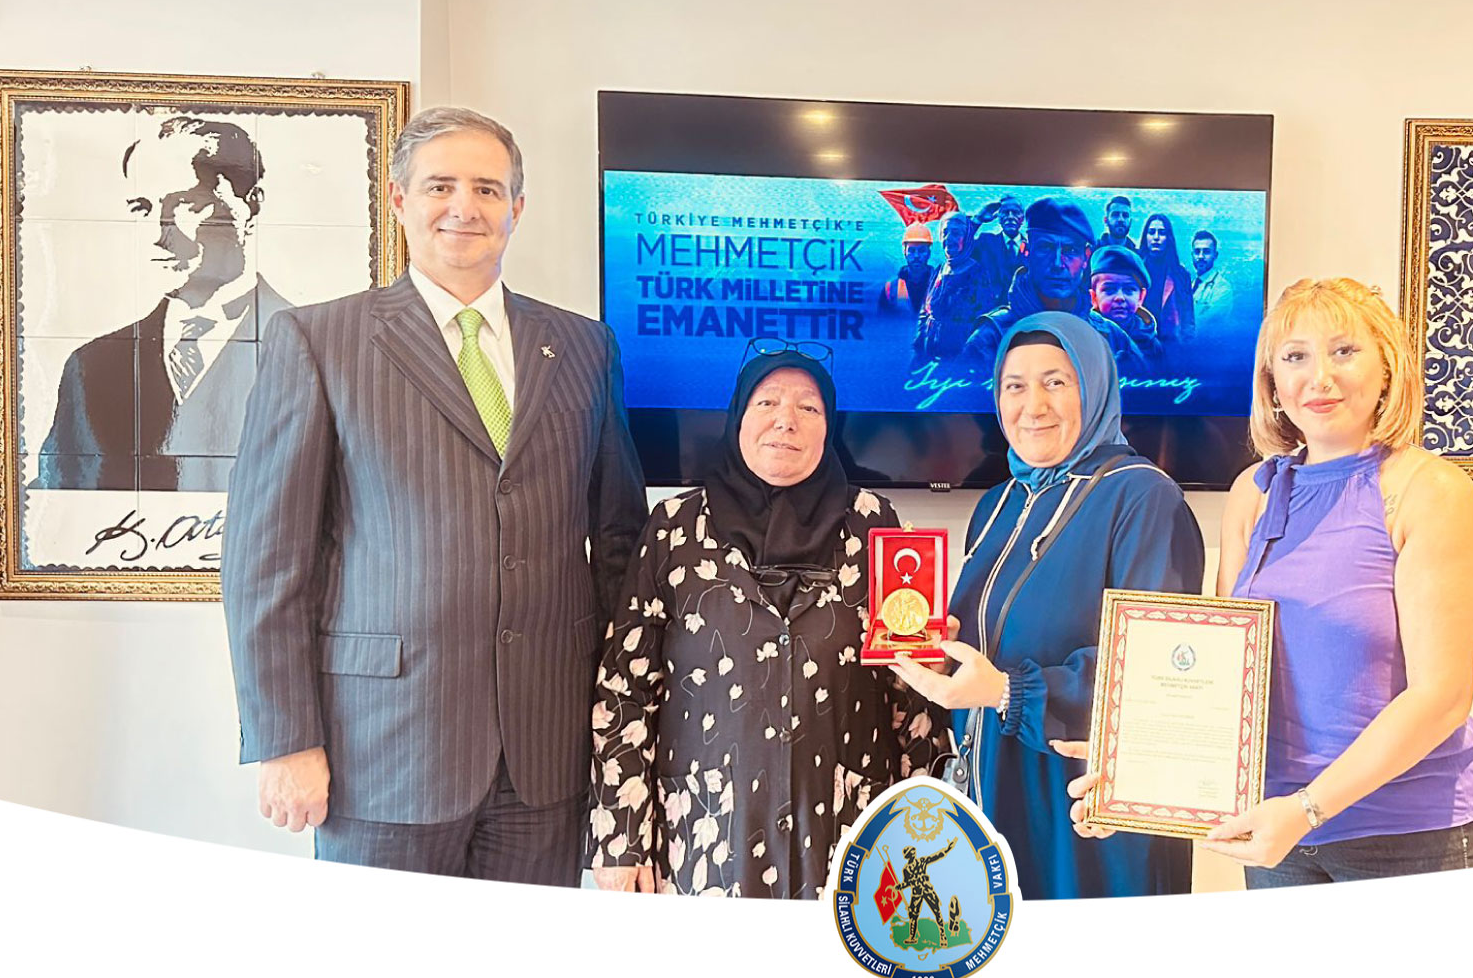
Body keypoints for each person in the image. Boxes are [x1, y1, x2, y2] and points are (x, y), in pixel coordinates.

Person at [222, 106, 648, 885]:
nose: (464, 207)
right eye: (440, 186)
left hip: (547, 756)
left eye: (488, 189)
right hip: (382, 753)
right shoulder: (319, 341)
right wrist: (285, 738)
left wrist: (626, 739)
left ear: (517, 207)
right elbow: (266, 561)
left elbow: (621, 545)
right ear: (399, 200)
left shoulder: (585, 347)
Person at [1067, 278, 1473, 886]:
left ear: (1386, 369)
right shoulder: (1253, 491)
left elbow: (1443, 696)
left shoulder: (1430, 491)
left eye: (1344, 351)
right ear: (1272, 381)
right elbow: (1219, 678)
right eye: (1295, 356)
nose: (1320, 377)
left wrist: (1308, 808)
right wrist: (1135, 773)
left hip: (1404, 835)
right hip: (1275, 830)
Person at [591, 343, 948, 898]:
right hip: (706, 833)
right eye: (767, 402)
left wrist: (926, 835)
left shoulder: (876, 525)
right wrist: (621, 842)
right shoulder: (674, 528)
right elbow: (625, 690)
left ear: (829, 428)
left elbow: (913, 694)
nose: (786, 419)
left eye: (809, 407)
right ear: (738, 417)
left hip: (851, 836)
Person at [892, 312, 1204, 899]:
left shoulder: (1144, 498)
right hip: (994, 791)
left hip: (1085, 812)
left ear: (1095, 386)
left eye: (1056, 382)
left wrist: (1007, 692)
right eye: (1014, 385)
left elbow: (1161, 681)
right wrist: (945, 656)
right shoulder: (998, 504)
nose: (1032, 405)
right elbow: (994, 643)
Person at [34, 117, 294, 492]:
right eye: (142, 207)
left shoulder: (315, 351)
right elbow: (55, 500)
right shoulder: (91, 366)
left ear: (250, 206)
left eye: (185, 204)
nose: (159, 233)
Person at [960, 197, 1142, 372]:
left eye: (1070, 250)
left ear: (1086, 257)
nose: (1057, 263)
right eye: (1045, 248)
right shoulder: (991, 339)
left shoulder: (1114, 338)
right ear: (1026, 252)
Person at [914, 212, 1000, 362]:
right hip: (931, 353)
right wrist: (919, 346)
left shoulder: (977, 274)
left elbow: (983, 322)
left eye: (956, 233)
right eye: (945, 233)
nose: (948, 239)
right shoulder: (939, 270)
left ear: (966, 239)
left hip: (960, 359)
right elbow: (925, 311)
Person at [1088, 244, 1162, 363]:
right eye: (1109, 289)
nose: (1120, 298)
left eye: (1129, 290)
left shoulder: (1151, 344)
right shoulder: (1086, 335)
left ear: (1141, 297)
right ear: (1094, 297)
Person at [1137, 213, 1195, 344]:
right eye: (1152, 232)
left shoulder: (1181, 275)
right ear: (1145, 237)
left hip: (1170, 343)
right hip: (1139, 341)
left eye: (1162, 233)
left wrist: (1187, 346)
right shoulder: (1135, 270)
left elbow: (1188, 318)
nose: (1156, 237)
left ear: (1169, 238)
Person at [877, 221, 936, 316]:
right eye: (911, 250)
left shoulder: (939, 285)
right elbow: (882, 321)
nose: (916, 256)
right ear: (904, 252)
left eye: (921, 250)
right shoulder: (891, 288)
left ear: (929, 253)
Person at [971, 194, 1027, 289]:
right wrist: (977, 220)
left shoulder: (1033, 248)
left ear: (1022, 218)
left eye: (1015, 212)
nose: (1010, 216)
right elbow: (959, 247)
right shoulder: (985, 242)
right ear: (998, 217)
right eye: (1005, 212)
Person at [1190, 229, 1237, 330]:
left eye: (1206, 252)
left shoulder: (1223, 288)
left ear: (1215, 255)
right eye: (1197, 252)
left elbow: (1204, 323)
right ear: (1192, 255)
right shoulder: (1191, 285)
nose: (1201, 256)